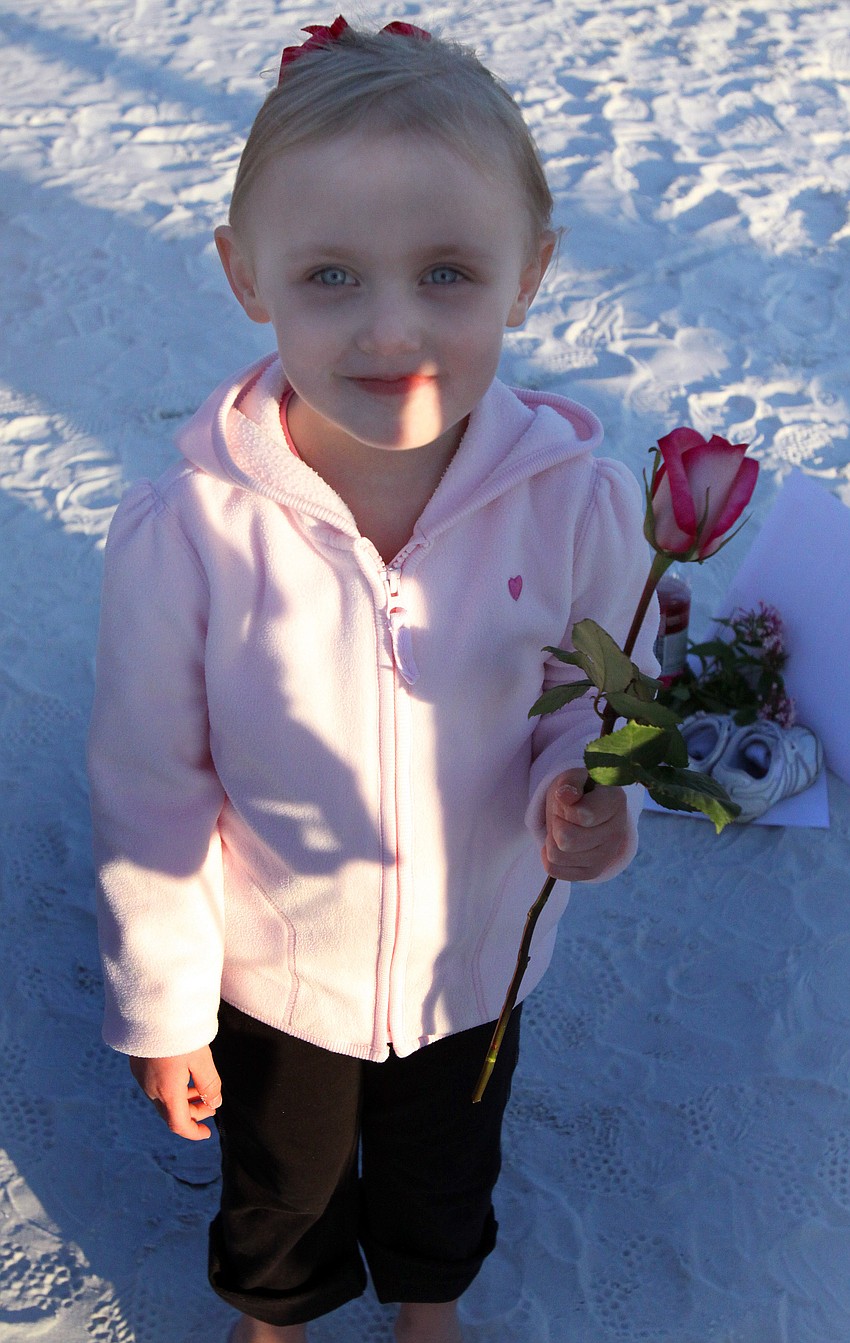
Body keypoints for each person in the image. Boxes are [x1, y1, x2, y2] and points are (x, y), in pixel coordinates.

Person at [88, 17, 657, 1343]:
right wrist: (165, 1004)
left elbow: (609, 685)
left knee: (448, 1158)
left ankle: (427, 1303)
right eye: (330, 274)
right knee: (280, 1176)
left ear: (530, 274)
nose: (390, 327)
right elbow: (148, 791)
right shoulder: (191, 531)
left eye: (448, 271)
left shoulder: (577, 502)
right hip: (277, 961)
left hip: (477, 953)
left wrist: (589, 790)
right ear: (245, 274)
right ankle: (277, 1313)